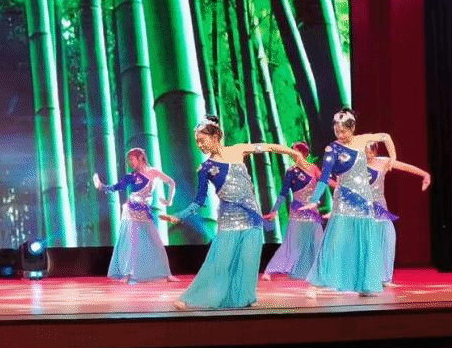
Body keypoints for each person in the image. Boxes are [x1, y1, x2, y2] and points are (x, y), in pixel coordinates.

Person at [164, 116, 306, 309]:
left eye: (202, 140)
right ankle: (189, 299)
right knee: (219, 263)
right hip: (229, 220)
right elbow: (199, 201)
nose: (199, 145)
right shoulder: (205, 168)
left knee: (248, 262)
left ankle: (245, 299)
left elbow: (268, 147)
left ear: (215, 136)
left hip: (252, 217)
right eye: (197, 142)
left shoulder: (239, 150)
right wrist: (179, 216)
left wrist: (293, 153)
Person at [302, 108, 397, 296]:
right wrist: (314, 199)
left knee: (364, 241)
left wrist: (393, 157)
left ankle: (365, 284)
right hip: (344, 201)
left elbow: (385, 136)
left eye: (344, 131)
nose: (340, 135)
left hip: (364, 199)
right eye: (337, 131)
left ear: (352, 128)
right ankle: (319, 282)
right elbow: (324, 177)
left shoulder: (362, 140)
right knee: (336, 241)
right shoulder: (332, 149)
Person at [93, 148, 175, 284]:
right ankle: (127, 274)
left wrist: (169, 200)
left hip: (144, 211)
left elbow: (171, 182)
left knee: (156, 242)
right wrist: (101, 186)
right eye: (129, 160)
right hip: (131, 211)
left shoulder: (153, 172)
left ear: (140, 157)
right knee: (131, 243)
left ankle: (167, 274)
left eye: (132, 159)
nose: (130, 162)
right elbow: (115, 187)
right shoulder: (131, 177)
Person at [365, 141, 431, 286]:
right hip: (364, 209)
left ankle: (384, 278)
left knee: (388, 237)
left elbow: (405, 167)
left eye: (371, 152)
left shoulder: (382, 162)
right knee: (368, 242)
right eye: (365, 152)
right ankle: (368, 276)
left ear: (375, 151)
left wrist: (424, 174)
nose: (368, 155)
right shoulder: (357, 165)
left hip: (380, 208)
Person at [263, 141, 324, 281]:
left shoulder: (314, 169)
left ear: (304, 154)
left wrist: (341, 186)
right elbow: (283, 193)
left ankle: (320, 272)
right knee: (292, 244)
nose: (292, 154)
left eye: (295, 151)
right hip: (297, 212)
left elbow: (325, 181)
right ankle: (269, 270)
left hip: (312, 212)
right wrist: (274, 210)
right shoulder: (291, 172)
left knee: (318, 242)